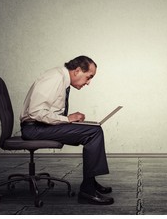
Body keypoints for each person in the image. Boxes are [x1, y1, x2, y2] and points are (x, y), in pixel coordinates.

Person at [20, 55, 113, 205]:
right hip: (34, 128)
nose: (88, 83)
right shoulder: (54, 78)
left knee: (94, 129)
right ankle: (87, 191)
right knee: (93, 133)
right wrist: (67, 119)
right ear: (77, 71)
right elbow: (35, 112)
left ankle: (91, 183)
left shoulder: (60, 78)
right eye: (89, 77)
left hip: (42, 126)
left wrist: (70, 120)